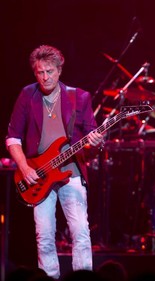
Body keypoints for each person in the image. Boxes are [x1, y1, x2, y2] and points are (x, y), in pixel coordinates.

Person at [5, 45, 104, 279]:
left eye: (50, 71)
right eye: (40, 72)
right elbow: (12, 137)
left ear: (60, 70)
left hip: (71, 172)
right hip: (38, 174)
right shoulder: (27, 95)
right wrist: (24, 167)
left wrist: (96, 141)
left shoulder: (79, 97)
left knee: (80, 233)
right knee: (45, 236)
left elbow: (92, 140)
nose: (45, 77)